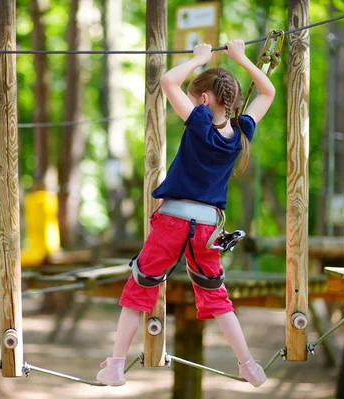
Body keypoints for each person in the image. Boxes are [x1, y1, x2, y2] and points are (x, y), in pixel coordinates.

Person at [96, 40, 276, 388]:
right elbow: (266, 92)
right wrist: (241, 59)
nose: (193, 105)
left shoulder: (199, 122)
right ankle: (249, 365)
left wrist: (198, 60)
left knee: (140, 285)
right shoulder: (241, 131)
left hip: (173, 221)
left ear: (205, 100)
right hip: (208, 227)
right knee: (215, 295)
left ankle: (116, 365)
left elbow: (167, 82)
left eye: (196, 100)